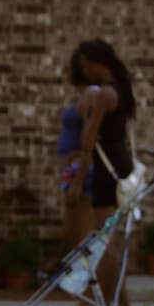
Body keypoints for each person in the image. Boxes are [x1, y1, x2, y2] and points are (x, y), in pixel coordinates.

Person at [68, 38, 137, 306]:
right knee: (108, 241)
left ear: (98, 64)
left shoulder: (105, 94)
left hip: (106, 172)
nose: (85, 72)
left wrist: (76, 182)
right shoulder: (120, 90)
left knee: (103, 242)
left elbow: (88, 141)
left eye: (86, 66)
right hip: (119, 166)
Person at [59, 52, 95, 248]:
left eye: (68, 69)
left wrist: (78, 176)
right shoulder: (84, 96)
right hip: (72, 171)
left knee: (81, 236)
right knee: (71, 234)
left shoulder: (91, 95)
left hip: (81, 171)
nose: (65, 73)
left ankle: (88, 278)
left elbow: (91, 133)